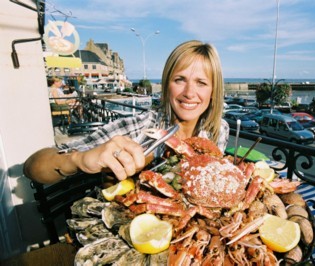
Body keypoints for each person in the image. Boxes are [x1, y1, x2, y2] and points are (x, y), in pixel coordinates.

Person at [24, 40, 229, 184]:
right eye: (179, 80)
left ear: (213, 92)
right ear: (167, 86)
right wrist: (78, 160)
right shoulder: (138, 127)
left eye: (201, 83)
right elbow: (33, 167)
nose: (189, 93)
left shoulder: (218, 130)